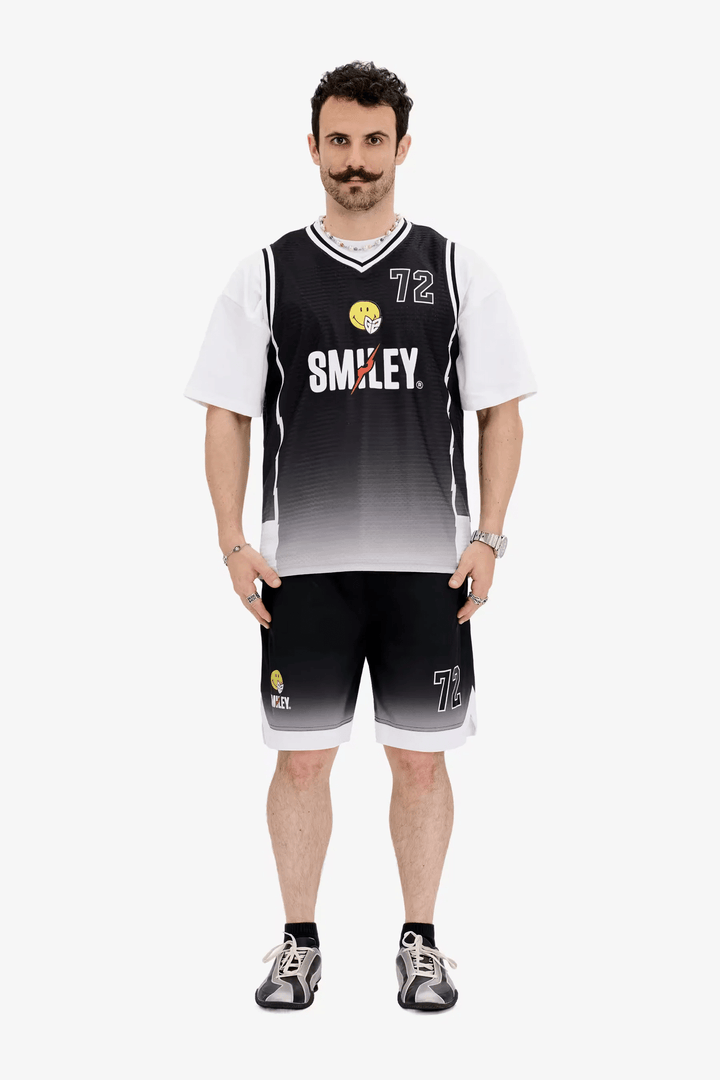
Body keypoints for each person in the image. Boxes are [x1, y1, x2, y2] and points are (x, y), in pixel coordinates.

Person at [183, 60, 538, 1012]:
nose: (355, 159)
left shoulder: (454, 268)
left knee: (420, 760)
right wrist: (231, 541)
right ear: (312, 147)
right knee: (302, 760)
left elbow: (501, 412)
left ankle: (421, 944)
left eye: (373, 140)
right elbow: (226, 413)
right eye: (338, 140)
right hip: (303, 569)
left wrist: (491, 535)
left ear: (403, 147)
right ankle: (298, 943)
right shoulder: (268, 273)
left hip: (428, 567)